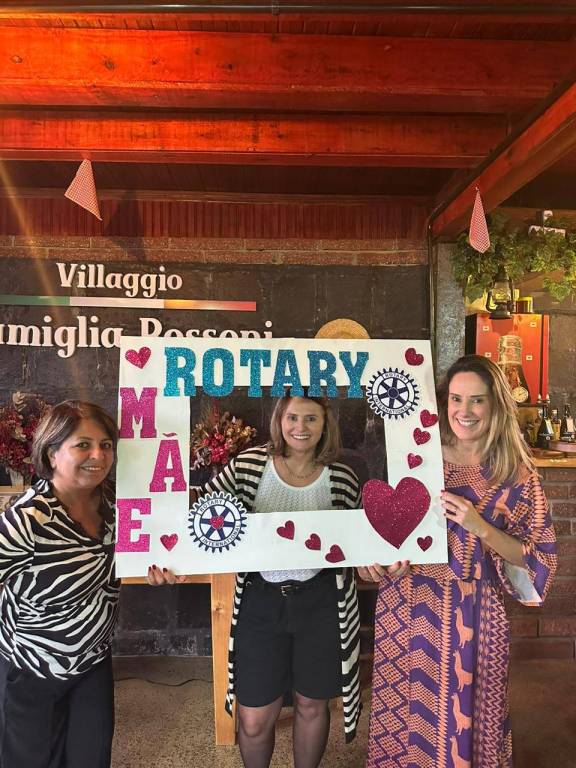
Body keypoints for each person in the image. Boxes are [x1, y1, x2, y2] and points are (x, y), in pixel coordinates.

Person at [360, 354, 557, 768]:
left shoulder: (516, 474)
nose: (464, 411)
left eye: (477, 400)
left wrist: (481, 526)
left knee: (470, 722)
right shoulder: (417, 456)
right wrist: (376, 560)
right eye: (456, 398)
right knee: (406, 722)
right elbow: (383, 525)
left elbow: (539, 559)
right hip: (407, 604)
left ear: (496, 405)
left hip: (475, 615)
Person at [149, 391, 362, 768]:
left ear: (325, 424)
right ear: (280, 420)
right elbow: (201, 510)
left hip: (322, 601)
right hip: (260, 600)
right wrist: (167, 558)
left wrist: (375, 562)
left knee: (313, 704)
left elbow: (358, 543)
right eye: (293, 417)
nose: (301, 427)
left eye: (311, 418)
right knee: (253, 717)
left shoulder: (343, 477)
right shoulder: (249, 465)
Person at [0, 400, 119, 768]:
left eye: (106, 444)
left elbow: (141, 559)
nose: (98, 455)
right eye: (83, 444)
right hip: (30, 668)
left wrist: (161, 569)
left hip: (92, 662)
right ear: (52, 454)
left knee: (91, 758)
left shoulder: (119, 506)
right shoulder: (28, 519)